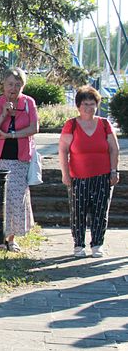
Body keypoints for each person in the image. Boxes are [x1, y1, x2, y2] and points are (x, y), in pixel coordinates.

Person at [58, 85, 120, 258]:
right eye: (85, 104)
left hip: (103, 175)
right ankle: (79, 245)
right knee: (78, 211)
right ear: (78, 105)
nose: (89, 107)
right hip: (78, 176)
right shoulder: (71, 125)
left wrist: (114, 171)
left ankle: (97, 244)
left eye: (92, 103)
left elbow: (114, 149)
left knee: (100, 211)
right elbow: (63, 150)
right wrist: (65, 174)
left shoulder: (104, 124)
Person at [0, 67, 39, 252]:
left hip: (19, 159)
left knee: (16, 199)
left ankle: (12, 238)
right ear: (3, 85)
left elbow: (34, 128)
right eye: (10, 84)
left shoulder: (28, 103)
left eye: (17, 85)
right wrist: (3, 115)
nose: (13, 89)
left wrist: (10, 135)